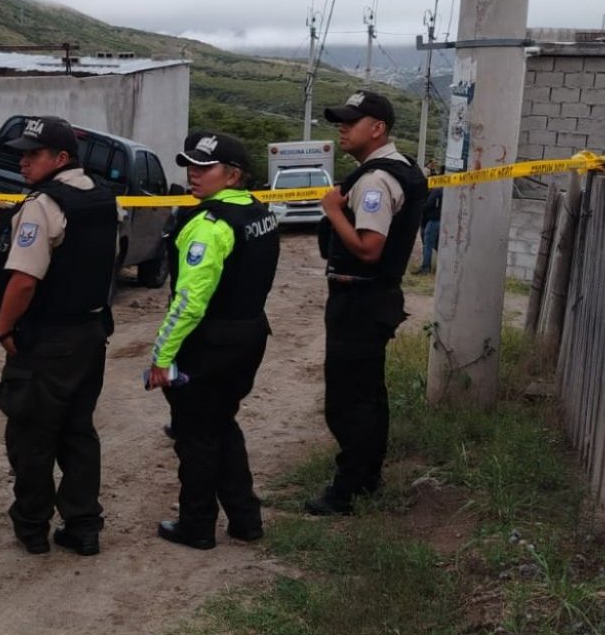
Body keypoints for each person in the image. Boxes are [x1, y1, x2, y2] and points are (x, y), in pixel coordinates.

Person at [145, 132, 279, 550]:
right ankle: (245, 518)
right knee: (221, 424)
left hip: (210, 343)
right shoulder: (260, 213)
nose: (193, 174)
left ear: (233, 175)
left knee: (195, 436)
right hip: (250, 333)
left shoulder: (208, 225)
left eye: (204, 167)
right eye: (190, 165)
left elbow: (188, 302)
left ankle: (196, 526)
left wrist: (161, 357)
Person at [0, 116, 118, 556]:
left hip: (47, 341)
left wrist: (2, 327)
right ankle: (83, 526)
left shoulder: (43, 205)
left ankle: (31, 527)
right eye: (21, 153)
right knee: (78, 433)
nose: (23, 161)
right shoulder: (104, 198)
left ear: (61, 159)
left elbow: (24, 281)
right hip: (90, 334)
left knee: (31, 435)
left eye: (33, 154)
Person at [308, 90, 429, 516]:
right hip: (375, 299)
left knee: (348, 400)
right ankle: (366, 477)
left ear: (377, 129)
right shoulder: (402, 167)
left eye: (351, 122)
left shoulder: (376, 180)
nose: (342, 128)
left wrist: (332, 210)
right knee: (368, 394)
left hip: (359, 300)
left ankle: (348, 489)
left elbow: (368, 248)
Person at [415, 188, 442, 274]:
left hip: (433, 220)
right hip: (436, 220)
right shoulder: (442, 190)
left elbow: (428, 205)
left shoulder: (436, 191)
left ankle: (425, 268)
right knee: (436, 244)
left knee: (428, 244)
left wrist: (419, 206)